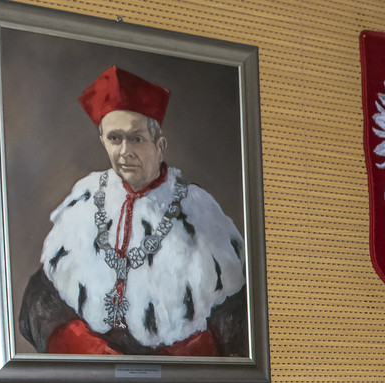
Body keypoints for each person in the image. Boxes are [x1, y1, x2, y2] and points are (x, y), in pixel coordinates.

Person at [19, 65, 248, 359]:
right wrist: (84, 347)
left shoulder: (199, 211)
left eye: (136, 138)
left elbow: (236, 318)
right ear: (103, 141)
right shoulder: (85, 200)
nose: (125, 151)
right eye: (115, 138)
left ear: (159, 146)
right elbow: (40, 301)